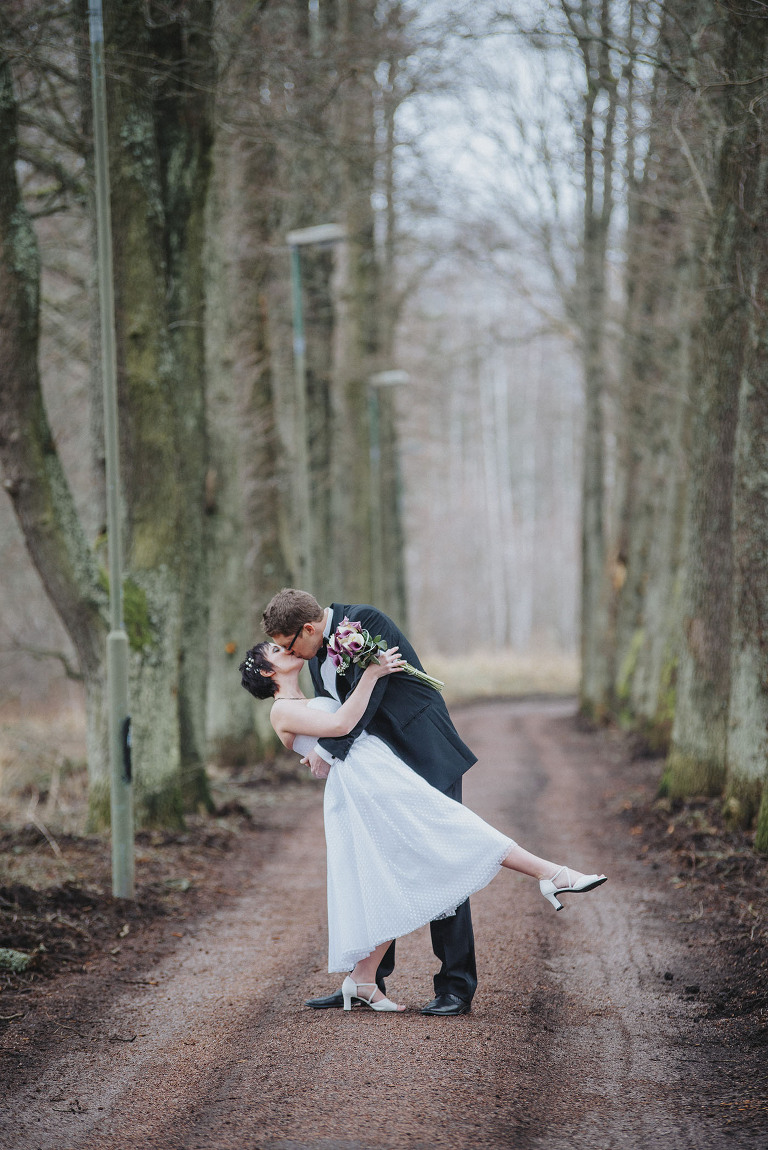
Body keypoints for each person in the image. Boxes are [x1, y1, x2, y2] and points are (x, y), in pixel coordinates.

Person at [240, 589, 606, 1015]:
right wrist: (322, 746)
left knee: (447, 850)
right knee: (382, 866)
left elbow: (367, 700)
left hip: (421, 750)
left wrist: (326, 749)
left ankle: (454, 986)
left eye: (288, 644)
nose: (291, 652)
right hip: (375, 769)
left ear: (306, 629)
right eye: (281, 649)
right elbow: (339, 713)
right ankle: (366, 978)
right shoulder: (315, 656)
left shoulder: (364, 623)